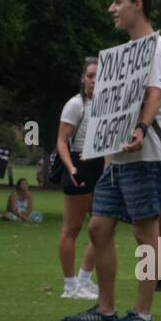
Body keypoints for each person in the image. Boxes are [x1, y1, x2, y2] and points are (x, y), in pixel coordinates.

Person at [61, 0, 161, 321]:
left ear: (137, 4)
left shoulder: (156, 48)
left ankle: (142, 314)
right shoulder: (122, 53)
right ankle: (107, 309)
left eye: (117, 1)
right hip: (117, 157)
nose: (112, 8)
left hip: (145, 154)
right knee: (98, 228)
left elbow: (156, 94)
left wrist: (140, 128)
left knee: (145, 235)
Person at [55, 57, 101, 298]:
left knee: (102, 228)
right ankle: (70, 285)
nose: (94, 80)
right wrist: (71, 167)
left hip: (99, 165)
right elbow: (61, 141)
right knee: (72, 227)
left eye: (98, 75)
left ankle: (84, 280)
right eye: (90, 75)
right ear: (83, 78)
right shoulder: (75, 105)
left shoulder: (106, 104)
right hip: (78, 165)